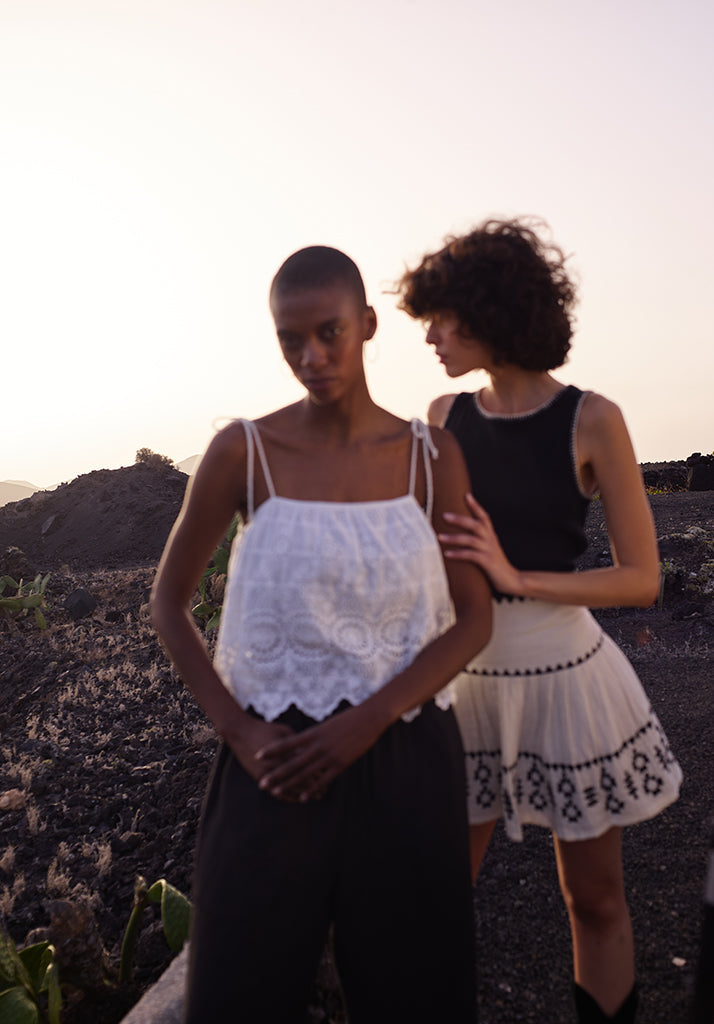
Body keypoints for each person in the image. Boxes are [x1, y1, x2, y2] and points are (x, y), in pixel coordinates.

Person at [151, 245, 492, 1023]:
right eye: (290, 340)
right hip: (272, 761)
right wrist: (236, 730)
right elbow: (168, 603)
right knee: (237, 995)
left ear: (368, 324)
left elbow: (473, 618)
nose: (312, 357)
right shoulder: (245, 452)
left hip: (405, 756)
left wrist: (366, 722)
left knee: (418, 999)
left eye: (330, 332)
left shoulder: (429, 457)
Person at [396, 218, 683, 1024]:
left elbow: (642, 579)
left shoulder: (594, 418)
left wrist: (515, 575)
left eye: (443, 317)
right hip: (466, 681)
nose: (430, 337)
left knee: (593, 899)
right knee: (437, 900)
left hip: (568, 678)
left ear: (491, 311)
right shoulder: (444, 416)